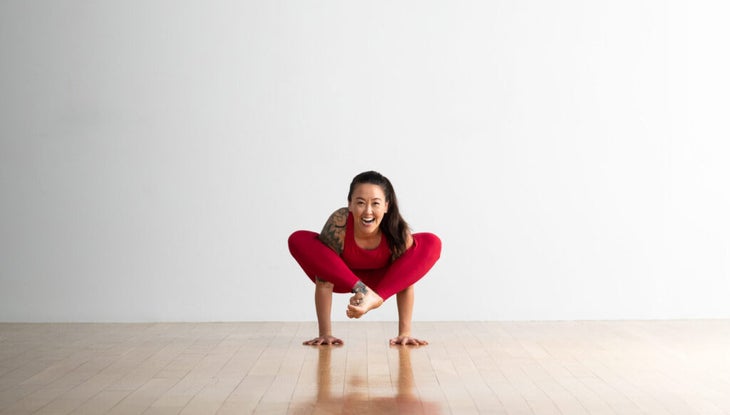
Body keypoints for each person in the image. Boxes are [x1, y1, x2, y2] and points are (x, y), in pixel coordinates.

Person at [288, 171, 441, 346]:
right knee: (298, 238)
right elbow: (324, 279)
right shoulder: (340, 223)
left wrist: (404, 333)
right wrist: (325, 333)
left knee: (431, 242)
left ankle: (374, 297)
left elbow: (406, 282)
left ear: (386, 206)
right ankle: (366, 292)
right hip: (344, 279)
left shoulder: (398, 231)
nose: (368, 211)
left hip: (384, 284)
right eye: (360, 203)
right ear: (350, 205)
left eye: (375, 203)